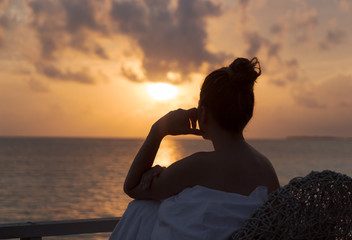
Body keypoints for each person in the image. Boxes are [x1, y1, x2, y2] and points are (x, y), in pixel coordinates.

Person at [110, 57, 280, 240]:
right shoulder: (266, 169)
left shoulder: (198, 166)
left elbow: (132, 187)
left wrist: (158, 130)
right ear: (248, 114)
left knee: (141, 208)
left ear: (204, 114)